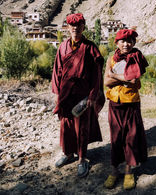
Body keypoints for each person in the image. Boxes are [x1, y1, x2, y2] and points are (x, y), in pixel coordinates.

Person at [51, 13, 105, 178]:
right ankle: (68, 154)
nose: (75, 28)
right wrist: (56, 93)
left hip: (82, 94)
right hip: (66, 94)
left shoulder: (90, 47)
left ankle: (82, 159)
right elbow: (57, 72)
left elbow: (97, 74)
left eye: (79, 25)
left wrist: (93, 95)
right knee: (65, 126)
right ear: (68, 28)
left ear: (83, 26)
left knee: (81, 127)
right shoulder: (62, 47)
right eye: (72, 26)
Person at [104, 29, 148, 190]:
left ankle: (129, 171)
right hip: (114, 102)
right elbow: (106, 82)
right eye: (122, 41)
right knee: (116, 137)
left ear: (134, 43)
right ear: (116, 43)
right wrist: (122, 78)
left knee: (131, 137)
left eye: (129, 41)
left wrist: (114, 75)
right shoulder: (111, 59)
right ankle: (114, 171)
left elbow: (134, 80)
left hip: (131, 103)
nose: (126, 44)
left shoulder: (136, 58)